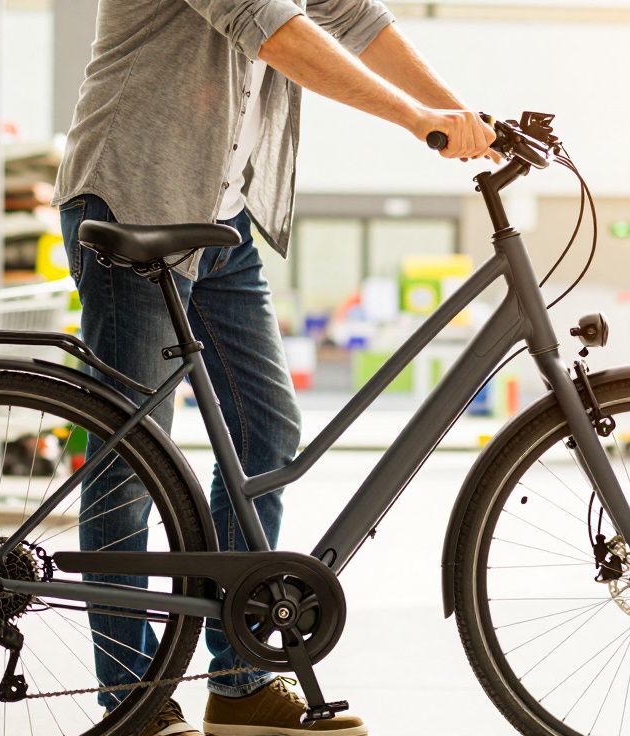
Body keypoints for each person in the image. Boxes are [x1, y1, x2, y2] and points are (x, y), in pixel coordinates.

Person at [54, 2, 497, 734]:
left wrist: (456, 112)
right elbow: (272, 27)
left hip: (220, 222)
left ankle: (239, 684)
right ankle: (131, 704)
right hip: (135, 200)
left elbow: (352, 18)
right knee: (131, 462)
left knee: (265, 436)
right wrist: (419, 118)